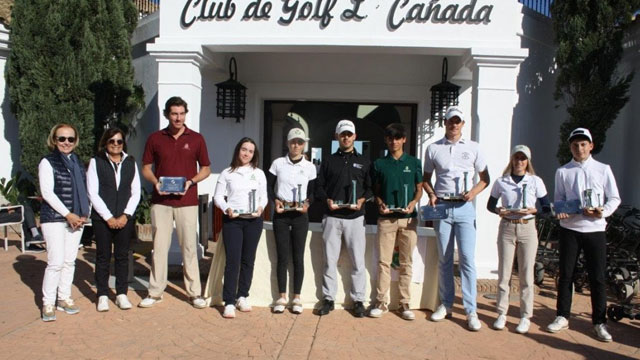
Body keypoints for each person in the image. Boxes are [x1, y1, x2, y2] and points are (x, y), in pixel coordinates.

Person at [546, 128, 620, 342]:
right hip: (570, 229)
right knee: (566, 275)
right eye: (575, 145)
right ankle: (562, 316)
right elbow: (559, 200)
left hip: (595, 230)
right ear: (570, 147)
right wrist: (559, 212)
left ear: (591, 145)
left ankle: (599, 322)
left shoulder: (603, 169)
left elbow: (614, 198)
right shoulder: (563, 171)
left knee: (597, 277)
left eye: (583, 144)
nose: (579, 148)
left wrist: (602, 211)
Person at [138, 96, 211, 309]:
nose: (178, 118)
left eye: (181, 113)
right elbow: (145, 167)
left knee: (189, 247)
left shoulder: (197, 139)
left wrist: (191, 182)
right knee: (159, 247)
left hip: (187, 201)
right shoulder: (155, 138)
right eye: (174, 113)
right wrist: (155, 182)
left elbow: (206, 168)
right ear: (167, 115)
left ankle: (194, 293)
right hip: (161, 201)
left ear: (185, 114)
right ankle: (154, 292)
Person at [422, 106, 490, 331]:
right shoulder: (433, 148)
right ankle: (446, 304)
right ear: (445, 122)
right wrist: (431, 194)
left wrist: (473, 193)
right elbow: (426, 178)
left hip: (464, 207)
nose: (454, 125)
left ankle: (471, 311)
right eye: (451, 121)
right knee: (444, 258)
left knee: (468, 260)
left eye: (458, 121)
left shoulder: (474, 148)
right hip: (442, 206)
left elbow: (485, 178)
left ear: (462, 124)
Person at [486, 145, 549, 334]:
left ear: (528, 161)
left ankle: (525, 316)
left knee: (526, 274)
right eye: (516, 158)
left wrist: (534, 210)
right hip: (507, 226)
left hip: (527, 227)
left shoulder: (535, 181)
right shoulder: (501, 181)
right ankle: (501, 312)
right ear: (511, 160)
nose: (519, 162)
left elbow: (546, 207)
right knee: (504, 273)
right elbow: (491, 205)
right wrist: (499, 210)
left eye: (523, 159)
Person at [315, 119, 372, 318]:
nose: (346, 137)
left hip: (356, 218)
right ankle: (328, 299)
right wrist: (327, 200)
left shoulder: (364, 161)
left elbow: (371, 188)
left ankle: (358, 300)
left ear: (355, 137)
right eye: (342, 134)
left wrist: (363, 200)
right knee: (329, 261)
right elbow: (319, 187)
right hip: (332, 216)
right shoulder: (329, 161)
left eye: (349, 134)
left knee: (358, 261)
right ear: (337, 137)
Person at [369, 123, 422, 321]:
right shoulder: (379, 164)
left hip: (408, 220)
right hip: (386, 219)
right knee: (383, 262)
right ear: (386, 140)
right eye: (390, 138)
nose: (394, 141)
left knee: (406, 263)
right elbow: (375, 191)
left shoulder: (414, 162)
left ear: (404, 140)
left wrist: (413, 203)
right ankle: (381, 301)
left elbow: (419, 188)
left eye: (397, 138)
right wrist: (380, 203)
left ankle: (404, 303)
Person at [38, 123, 90, 322]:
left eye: (70, 139)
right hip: (55, 218)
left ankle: (64, 298)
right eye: (62, 139)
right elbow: (47, 193)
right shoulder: (47, 162)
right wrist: (68, 214)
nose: (66, 143)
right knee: (55, 262)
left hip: (76, 219)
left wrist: (83, 214)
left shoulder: (77, 161)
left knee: (69, 261)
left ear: (75, 141)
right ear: (54, 140)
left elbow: (84, 190)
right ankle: (48, 302)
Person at [87, 128, 141, 312]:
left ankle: (121, 293)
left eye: (119, 141)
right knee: (103, 256)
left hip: (124, 218)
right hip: (103, 219)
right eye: (112, 141)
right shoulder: (96, 162)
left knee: (122, 256)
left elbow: (136, 192)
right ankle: (102, 294)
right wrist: (108, 217)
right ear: (105, 143)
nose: (116, 145)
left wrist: (125, 215)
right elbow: (92, 192)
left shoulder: (130, 162)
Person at [213, 137, 268, 319]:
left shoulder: (259, 174)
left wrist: (260, 208)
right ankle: (228, 301)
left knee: (248, 261)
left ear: (254, 154)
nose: (246, 153)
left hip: (253, 221)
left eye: (250, 151)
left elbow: (264, 196)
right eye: (244, 149)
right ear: (238, 150)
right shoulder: (227, 173)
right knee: (233, 261)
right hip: (233, 221)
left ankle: (242, 296)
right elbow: (218, 197)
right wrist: (226, 208)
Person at [267, 128, 316, 314]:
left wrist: (308, 203)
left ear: (304, 145)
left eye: (300, 142)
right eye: (293, 142)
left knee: (298, 257)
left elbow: (313, 191)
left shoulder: (310, 167)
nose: (296, 145)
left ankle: (296, 297)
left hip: (300, 216)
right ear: (287, 143)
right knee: (282, 257)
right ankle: (281, 297)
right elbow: (269, 187)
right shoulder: (278, 163)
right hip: (281, 214)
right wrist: (275, 201)